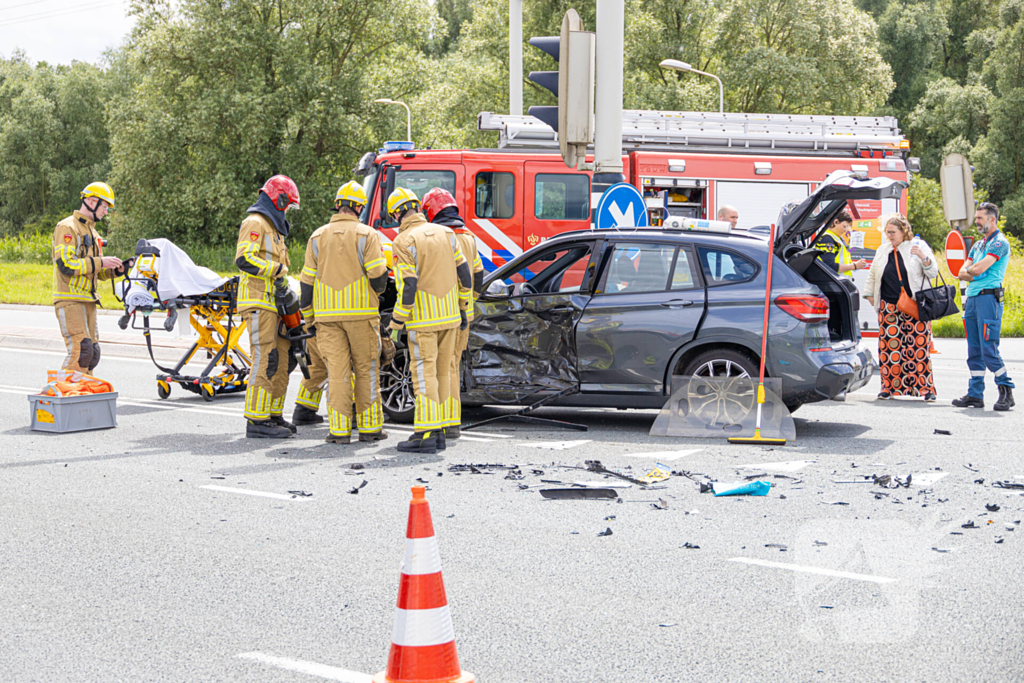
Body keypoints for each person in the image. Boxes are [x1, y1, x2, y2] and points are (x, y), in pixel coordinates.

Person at [298, 181, 390, 443]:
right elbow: (378, 277)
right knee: (366, 370)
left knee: (337, 374)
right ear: (359, 207)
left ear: (338, 205)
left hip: (327, 319)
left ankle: (338, 432)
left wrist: (309, 318)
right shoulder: (367, 234)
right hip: (362, 316)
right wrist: (375, 295)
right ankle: (370, 429)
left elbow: (306, 284)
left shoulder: (317, 236)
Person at [386, 187, 473, 454]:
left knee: (423, 376)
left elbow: (408, 285)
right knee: (443, 373)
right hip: (449, 318)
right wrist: (462, 307)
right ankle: (441, 430)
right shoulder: (447, 234)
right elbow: (465, 276)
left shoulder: (403, 241)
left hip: (423, 321)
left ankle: (425, 433)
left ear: (398, 213)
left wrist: (396, 323)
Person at [235, 175, 300, 439]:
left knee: (283, 361)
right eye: (287, 204)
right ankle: (256, 419)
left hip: (276, 305)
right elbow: (244, 259)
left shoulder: (274, 229)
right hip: (258, 302)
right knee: (265, 360)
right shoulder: (255, 223)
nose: (286, 211)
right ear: (279, 198)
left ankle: (273, 415)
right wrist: (275, 269)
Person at [422, 188, 485, 440]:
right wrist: (469, 303)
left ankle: (441, 423)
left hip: (443, 313)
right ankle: (452, 422)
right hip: (464, 315)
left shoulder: (440, 236)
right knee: (452, 366)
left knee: (437, 368)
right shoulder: (469, 236)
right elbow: (477, 275)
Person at [863, 213, 939, 401]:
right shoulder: (883, 249)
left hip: (914, 305)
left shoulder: (919, 246)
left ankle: (926, 389)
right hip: (888, 307)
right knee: (889, 349)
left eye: (892, 232)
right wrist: (870, 295)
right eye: (887, 232)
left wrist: (923, 257)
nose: (889, 236)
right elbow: (873, 274)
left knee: (918, 348)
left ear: (904, 231)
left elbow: (933, 272)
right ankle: (888, 388)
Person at [53, 182, 125, 374]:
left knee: (91, 354)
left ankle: (83, 396)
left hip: (88, 300)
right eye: (104, 206)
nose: (106, 212)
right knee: (81, 350)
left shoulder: (93, 233)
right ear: (92, 201)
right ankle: (62, 395)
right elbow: (66, 265)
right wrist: (101, 262)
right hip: (70, 299)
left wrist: (119, 269)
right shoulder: (67, 227)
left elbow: (97, 271)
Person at [953, 202, 1015, 410]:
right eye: (976, 218)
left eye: (980, 218)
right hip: (973, 299)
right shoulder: (979, 244)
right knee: (974, 350)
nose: (976, 222)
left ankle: (1006, 391)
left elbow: (976, 269)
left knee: (989, 349)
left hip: (989, 299)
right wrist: (973, 271)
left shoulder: (999, 243)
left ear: (992, 219)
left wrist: (973, 271)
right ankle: (975, 394)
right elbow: (961, 272)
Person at [815, 209, 868, 277]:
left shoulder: (836, 238)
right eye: (845, 226)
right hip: (832, 282)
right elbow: (829, 266)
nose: (845, 230)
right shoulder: (827, 239)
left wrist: (855, 265)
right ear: (836, 222)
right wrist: (854, 266)